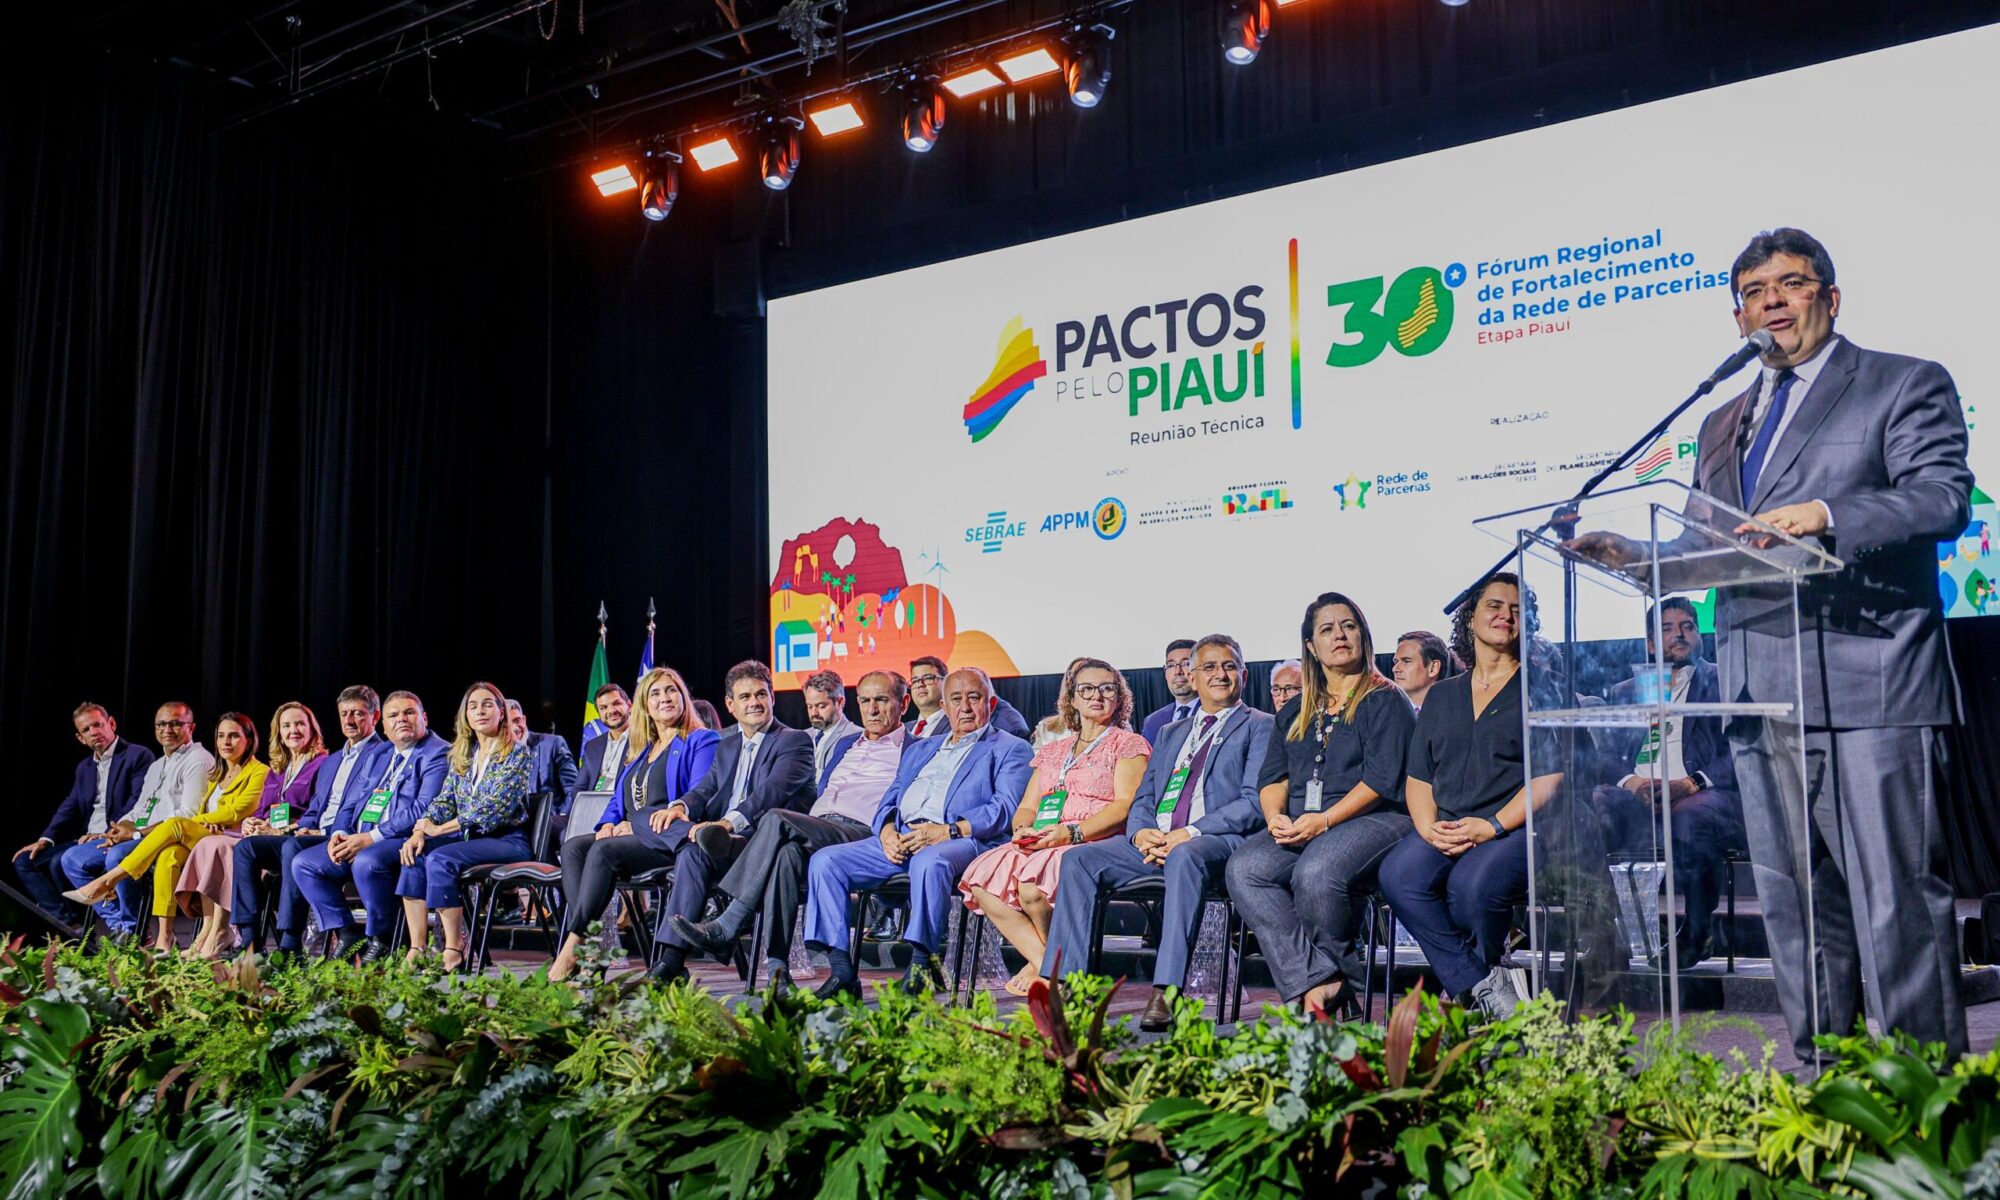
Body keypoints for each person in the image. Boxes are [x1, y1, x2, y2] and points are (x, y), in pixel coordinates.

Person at [1570, 228, 1973, 1062]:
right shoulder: (1723, 420)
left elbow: (1942, 498)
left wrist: (1827, 516)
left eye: (1792, 284)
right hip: (1758, 692)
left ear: (1832, 297)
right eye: (1755, 292)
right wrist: (1637, 558)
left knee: (1894, 897)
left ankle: (1924, 1089)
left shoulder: (1901, 382)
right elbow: (1707, 545)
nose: (1773, 302)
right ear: (1739, 318)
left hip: (1871, 684)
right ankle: (1826, 1073)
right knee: (1795, 904)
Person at [1043, 635, 1273, 1030]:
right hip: (1158, 840)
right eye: (1210, 667)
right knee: (1079, 859)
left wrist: (1191, 832)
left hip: (1215, 841)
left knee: (1184, 855)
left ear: (1244, 675)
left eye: (1229, 666)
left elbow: (1254, 803)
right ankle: (1069, 986)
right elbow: (1144, 797)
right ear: (1193, 678)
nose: (1220, 675)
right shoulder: (1170, 732)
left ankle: (1165, 989)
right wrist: (1141, 834)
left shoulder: (1261, 725)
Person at [1379, 573, 1563, 1017]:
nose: (1506, 615)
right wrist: (1429, 829)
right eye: (1494, 605)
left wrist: (1493, 825)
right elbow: (1419, 777)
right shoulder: (1442, 696)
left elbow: (1549, 777)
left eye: (1517, 610)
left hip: (1513, 827)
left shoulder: (1541, 689)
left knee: (1472, 887)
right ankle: (1482, 985)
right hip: (1448, 823)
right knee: (1399, 875)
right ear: (1470, 617)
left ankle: (1475, 996)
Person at [1227, 594, 1418, 1018]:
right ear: (1311, 646)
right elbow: (1273, 778)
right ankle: (1321, 981)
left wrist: (1325, 820)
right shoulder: (1297, 709)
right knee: (1245, 868)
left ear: (1363, 636)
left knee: (1315, 871)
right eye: (1327, 629)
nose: (1340, 635)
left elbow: (1381, 781)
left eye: (1349, 626)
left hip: (1379, 818)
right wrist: (1276, 818)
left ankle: (1332, 997)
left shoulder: (1385, 700)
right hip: (1305, 823)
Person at [670, 670, 912, 992]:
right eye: (865, 700)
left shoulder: (915, 748)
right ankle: (779, 972)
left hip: (861, 831)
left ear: (903, 704)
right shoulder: (846, 744)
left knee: (776, 819)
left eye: (881, 700)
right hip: (820, 826)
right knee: (785, 855)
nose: (872, 709)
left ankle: (730, 921)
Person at [803, 668, 1034, 997]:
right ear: (944, 705)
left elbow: (1005, 808)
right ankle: (842, 971)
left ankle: (921, 964)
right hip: (904, 838)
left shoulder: (1010, 748)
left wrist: (948, 830)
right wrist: (885, 831)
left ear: (991, 703)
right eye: (956, 699)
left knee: (930, 861)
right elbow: (889, 800)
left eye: (974, 698)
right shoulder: (921, 748)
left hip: (965, 840)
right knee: (826, 861)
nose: (965, 707)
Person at [961, 660, 1150, 994]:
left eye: (1107, 689)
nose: (1096, 696)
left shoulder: (1127, 744)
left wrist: (1072, 833)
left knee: (1032, 887)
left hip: (1091, 838)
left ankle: (1051, 969)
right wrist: (1023, 828)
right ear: (1072, 698)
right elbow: (1027, 807)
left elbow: (1125, 806)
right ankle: (1046, 962)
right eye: (1086, 689)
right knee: (983, 878)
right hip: (1045, 836)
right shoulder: (1053, 751)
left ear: (1120, 698)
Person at [642, 660, 815, 984]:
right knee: (691, 851)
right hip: (728, 845)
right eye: (745, 697)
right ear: (730, 705)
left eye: (761, 694)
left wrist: (727, 824)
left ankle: (725, 933)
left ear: (772, 697)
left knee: (719, 842)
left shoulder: (794, 741)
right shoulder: (726, 743)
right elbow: (707, 787)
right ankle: (671, 960)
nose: (754, 703)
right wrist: (680, 806)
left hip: (768, 843)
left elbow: (771, 794)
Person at [1590, 598, 1741, 967]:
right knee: (1589, 810)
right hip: (1640, 794)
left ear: (1700, 635)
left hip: (1702, 792)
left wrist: (1691, 783)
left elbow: (1740, 752)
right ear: (1652, 643)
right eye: (1667, 629)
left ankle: (1698, 933)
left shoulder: (1722, 681)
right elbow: (1605, 755)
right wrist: (1632, 783)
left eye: (1687, 626)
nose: (1679, 635)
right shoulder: (1628, 691)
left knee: (1691, 815)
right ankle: (1603, 934)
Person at [545, 666, 718, 982]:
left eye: (671, 690)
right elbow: (619, 798)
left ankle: (573, 944)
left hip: (670, 838)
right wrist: (608, 823)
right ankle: (592, 945)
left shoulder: (701, 740)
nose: (665, 698)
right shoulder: (642, 748)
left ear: (683, 697)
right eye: (655, 693)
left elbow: (699, 797)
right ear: (645, 706)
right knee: (574, 848)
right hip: (633, 836)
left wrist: (635, 825)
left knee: (604, 852)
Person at [66, 713, 266, 952]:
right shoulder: (217, 774)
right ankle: (165, 937)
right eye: (221, 736)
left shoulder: (259, 771)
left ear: (249, 739)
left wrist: (199, 822)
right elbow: (196, 810)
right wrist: (127, 826)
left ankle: (109, 881)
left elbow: (235, 812)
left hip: (233, 841)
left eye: (233, 736)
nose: (226, 742)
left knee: (175, 824)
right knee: (167, 856)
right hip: (206, 838)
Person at [229, 686, 391, 956]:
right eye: (344, 714)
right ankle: (249, 941)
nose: (349, 720)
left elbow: (363, 807)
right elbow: (314, 809)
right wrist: (295, 827)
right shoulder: (334, 761)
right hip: (314, 833)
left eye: (358, 714)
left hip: (345, 836)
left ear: (375, 717)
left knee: (293, 846)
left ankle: (290, 943)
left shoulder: (383, 753)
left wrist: (319, 830)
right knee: (246, 848)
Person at [291, 691, 450, 962]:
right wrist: (340, 833)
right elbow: (351, 802)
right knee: (304, 864)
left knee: (367, 862)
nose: (401, 719)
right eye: (394, 715)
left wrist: (371, 837)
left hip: (405, 838)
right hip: (362, 836)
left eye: (409, 713)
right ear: (384, 726)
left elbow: (422, 808)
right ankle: (347, 931)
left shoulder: (437, 752)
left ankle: (382, 938)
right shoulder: (380, 754)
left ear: (424, 717)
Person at [395, 682, 535, 970]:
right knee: (413, 854)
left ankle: (454, 947)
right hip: (471, 840)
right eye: (473, 706)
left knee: (441, 858)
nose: (480, 711)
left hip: (507, 840)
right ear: (466, 716)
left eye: (487, 704)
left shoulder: (517, 753)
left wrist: (440, 830)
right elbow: (444, 800)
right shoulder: (464, 755)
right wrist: (419, 831)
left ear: (501, 712)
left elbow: (493, 809)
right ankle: (417, 947)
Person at [176, 702, 327, 958]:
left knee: (232, 846)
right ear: (278, 732)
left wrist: (282, 828)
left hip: (298, 838)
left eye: (300, 724)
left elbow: (318, 811)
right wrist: (252, 822)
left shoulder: (322, 764)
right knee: (228, 845)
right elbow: (263, 809)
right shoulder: (278, 768)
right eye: (286, 725)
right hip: (267, 837)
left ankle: (262, 938)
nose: (293, 730)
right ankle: (245, 938)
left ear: (312, 729)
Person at [59, 702, 212, 941]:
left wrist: (135, 834)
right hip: (138, 835)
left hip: (168, 839)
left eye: (175, 723)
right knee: (72, 859)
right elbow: (140, 809)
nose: (167, 729)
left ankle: (134, 931)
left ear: (191, 727)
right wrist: (119, 829)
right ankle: (120, 926)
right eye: (161, 724)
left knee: (117, 856)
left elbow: (188, 815)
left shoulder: (199, 760)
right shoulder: (157, 765)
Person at [12, 704, 155, 927]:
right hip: (87, 837)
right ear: (81, 738)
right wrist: (45, 839)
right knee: (25, 862)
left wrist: (107, 833)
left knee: (60, 862)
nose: (94, 732)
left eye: (98, 725)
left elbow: (138, 801)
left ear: (111, 724)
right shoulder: (84, 768)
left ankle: (113, 925)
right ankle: (68, 924)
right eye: (86, 730)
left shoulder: (137, 755)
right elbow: (69, 805)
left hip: (115, 835)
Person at [906, 655, 1032, 740]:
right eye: (915, 680)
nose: (920, 684)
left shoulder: (967, 722)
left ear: (946, 683)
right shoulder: (905, 729)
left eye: (928, 678)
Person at [507, 699, 580, 815]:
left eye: (517, 720)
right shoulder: (495, 755)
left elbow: (574, 789)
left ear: (524, 720)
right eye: (508, 723)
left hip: (550, 819)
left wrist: (561, 817)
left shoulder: (553, 744)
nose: (515, 728)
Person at [803, 670, 862, 781]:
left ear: (840, 702)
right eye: (809, 706)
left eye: (821, 706)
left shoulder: (856, 737)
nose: (814, 713)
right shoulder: (801, 736)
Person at [1138, 640, 1198, 745]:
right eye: (1171, 666)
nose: (1177, 671)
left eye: (1186, 664)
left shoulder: (1214, 713)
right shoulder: (1153, 721)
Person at [577, 683, 633, 795]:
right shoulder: (592, 746)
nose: (611, 711)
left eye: (616, 703)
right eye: (603, 708)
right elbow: (578, 787)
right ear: (599, 714)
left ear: (629, 705)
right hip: (594, 804)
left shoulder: (643, 739)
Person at [1391, 631, 1457, 714]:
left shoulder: (1455, 712)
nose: (1395, 669)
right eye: (1396, 662)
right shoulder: (1385, 712)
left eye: (1406, 661)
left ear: (1433, 668)